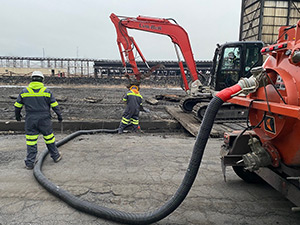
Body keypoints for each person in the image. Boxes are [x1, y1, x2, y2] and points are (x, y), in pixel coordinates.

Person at [14, 71, 63, 169]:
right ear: (42, 80)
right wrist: (59, 115)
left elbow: (17, 106)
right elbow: (55, 105)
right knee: (49, 139)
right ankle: (56, 156)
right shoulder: (47, 92)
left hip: (30, 119)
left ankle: (30, 162)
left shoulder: (24, 92)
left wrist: (17, 116)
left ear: (32, 79)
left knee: (31, 141)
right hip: (44, 120)